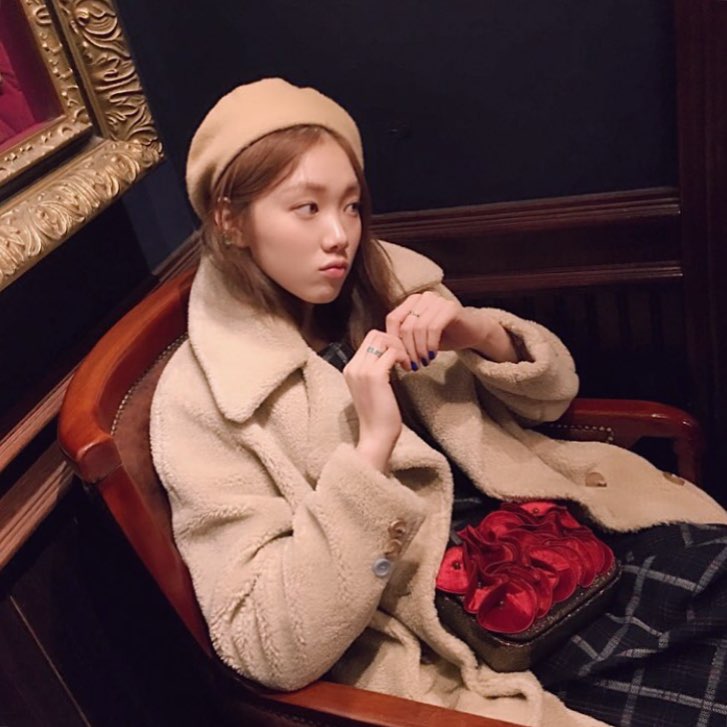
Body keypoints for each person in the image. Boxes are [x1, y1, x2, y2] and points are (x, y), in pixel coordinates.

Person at [150, 78, 727, 727]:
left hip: (553, 535)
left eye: (350, 205)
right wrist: (370, 451)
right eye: (306, 208)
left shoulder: (389, 279)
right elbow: (270, 651)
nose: (339, 235)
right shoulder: (205, 400)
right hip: (459, 633)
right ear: (230, 220)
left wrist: (480, 334)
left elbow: (549, 403)